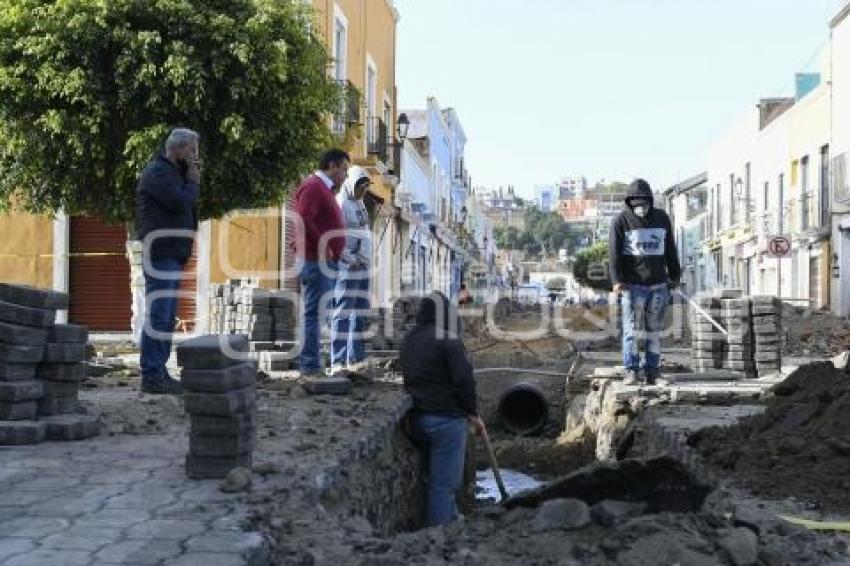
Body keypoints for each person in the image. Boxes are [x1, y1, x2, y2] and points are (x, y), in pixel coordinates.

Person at [400, 291, 485, 527]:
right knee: (444, 485)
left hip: (416, 422)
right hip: (446, 423)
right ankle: (438, 539)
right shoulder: (449, 339)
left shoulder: (410, 339)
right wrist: (473, 414)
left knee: (435, 478)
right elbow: (464, 380)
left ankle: (452, 516)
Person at [136, 128, 201, 395]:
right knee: (159, 316)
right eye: (193, 150)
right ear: (179, 149)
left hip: (173, 253)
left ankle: (159, 373)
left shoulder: (175, 174)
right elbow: (179, 203)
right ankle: (151, 375)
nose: (196, 157)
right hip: (161, 252)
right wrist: (193, 181)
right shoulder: (158, 172)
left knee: (165, 317)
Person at [609, 178, 681, 385]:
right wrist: (617, 280)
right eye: (635, 202)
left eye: (643, 202)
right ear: (629, 202)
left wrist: (675, 275)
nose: (640, 207)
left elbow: (670, 249)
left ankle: (652, 371)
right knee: (631, 330)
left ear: (650, 200)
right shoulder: (620, 221)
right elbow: (613, 254)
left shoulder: (662, 219)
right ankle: (631, 369)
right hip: (631, 286)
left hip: (658, 285)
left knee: (653, 331)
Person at [293, 149, 348, 378]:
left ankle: (313, 363)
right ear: (332, 165)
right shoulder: (314, 186)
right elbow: (304, 217)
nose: (345, 175)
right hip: (316, 260)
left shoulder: (324, 189)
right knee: (313, 314)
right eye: (344, 169)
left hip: (325, 260)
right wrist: (325, 244)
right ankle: (309, 365)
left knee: (318, 315)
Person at [330, 166, 371, 373]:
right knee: (343, 313)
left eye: (366, 186)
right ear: (351, 184)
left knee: (359, 313)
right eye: (360, 186)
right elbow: (337, 236)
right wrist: (349, 258)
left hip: (363, 265)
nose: (363, 190)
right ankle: (337, 361)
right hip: (349, 266)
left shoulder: (360, 204)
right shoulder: (342, 203)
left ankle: (354, 358)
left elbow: (364, 231)